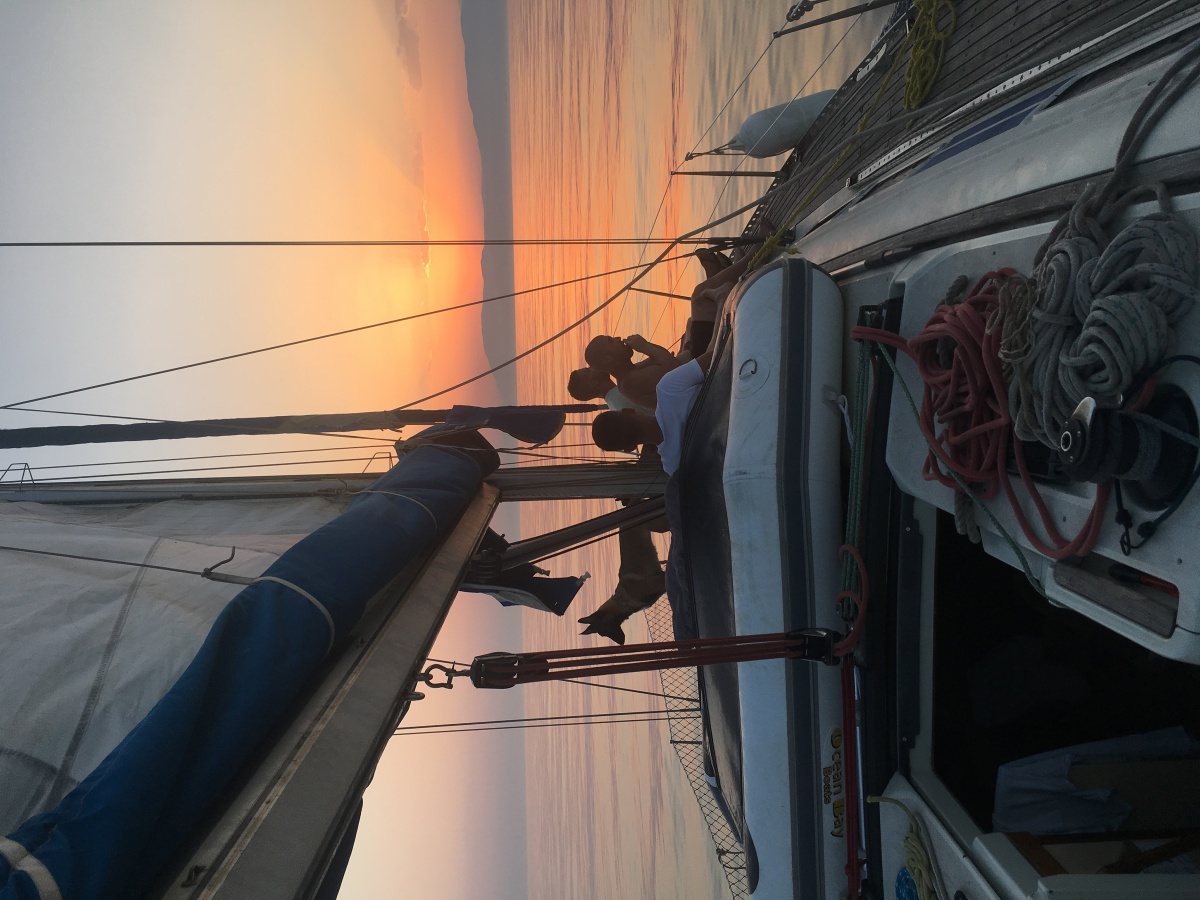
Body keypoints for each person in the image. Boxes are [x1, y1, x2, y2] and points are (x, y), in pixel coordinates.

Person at [591, 350, 712, 476]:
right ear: (629, 410)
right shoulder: (668, 388)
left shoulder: (674, 466)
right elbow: (717, 355)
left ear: (630, 448)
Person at [566, 365, 654, 415]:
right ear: (594, 383)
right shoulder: (624, 392)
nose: (593, 366)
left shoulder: (614, 404)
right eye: (589, 370)